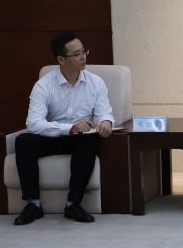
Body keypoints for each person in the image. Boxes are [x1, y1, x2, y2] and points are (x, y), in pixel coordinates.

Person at [13, 32, 114, 225]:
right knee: (23, 141)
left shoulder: (96, 82)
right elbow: (33, 123)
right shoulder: (44, 85)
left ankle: (73, 204)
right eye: (76, 54)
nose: (83, 57)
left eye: (84, 51)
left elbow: (104, 112)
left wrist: (106, 122)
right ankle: (33, 205)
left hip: (81, 139)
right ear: (61, 59)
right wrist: (70, 128)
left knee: (89, 140)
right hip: (53, 136)